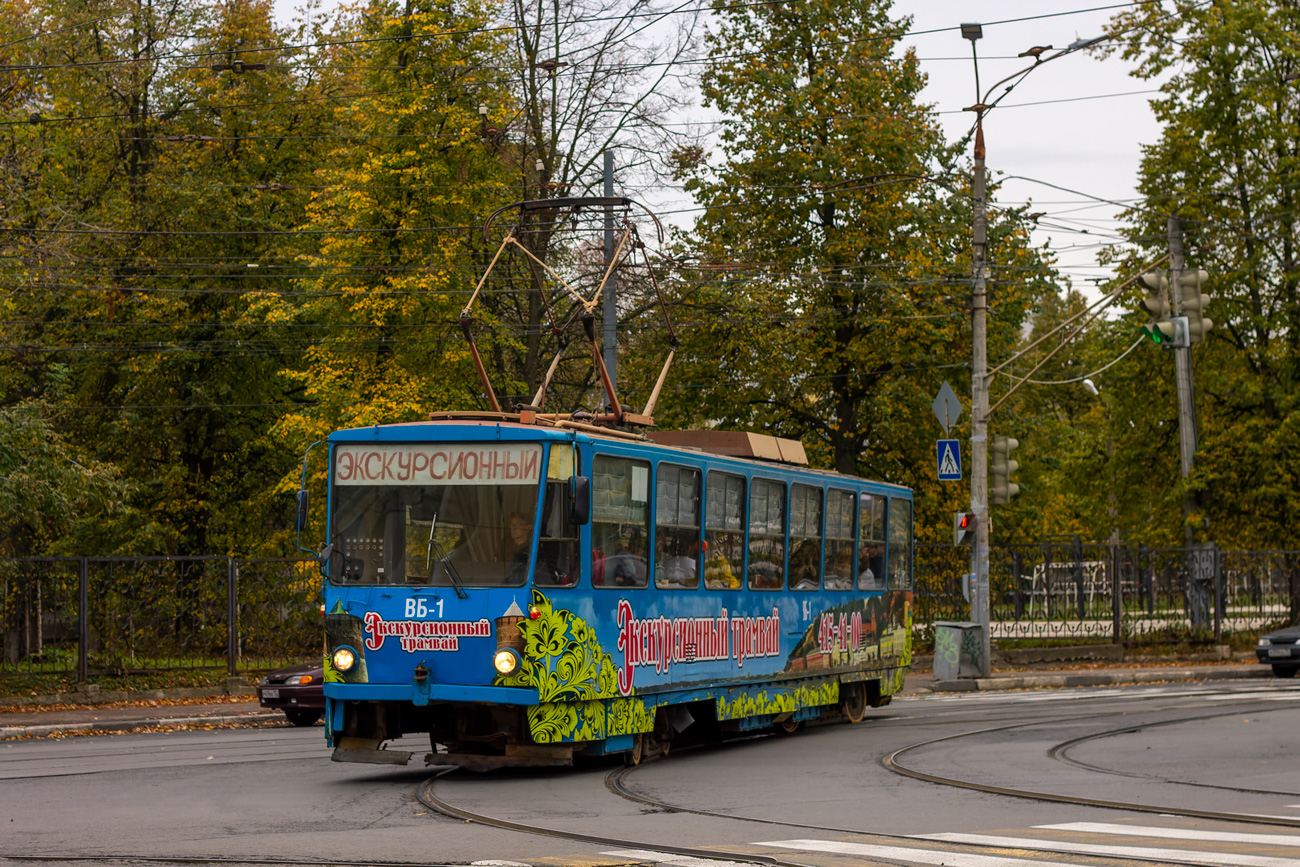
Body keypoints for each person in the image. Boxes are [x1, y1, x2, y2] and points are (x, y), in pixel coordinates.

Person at [505, 512, 532, 582]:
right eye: (512, 525)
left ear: (528, 528)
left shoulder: (532, 548)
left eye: (517, 525)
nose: (513, 528)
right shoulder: (504, 546)